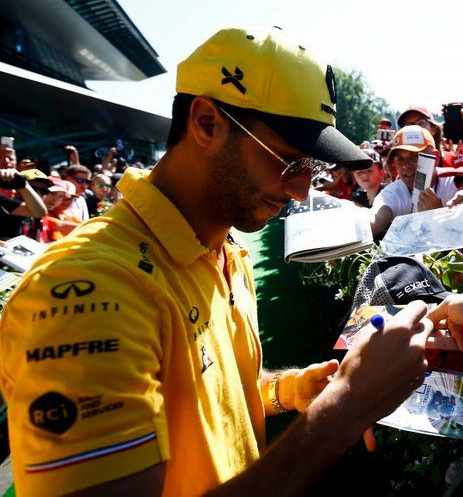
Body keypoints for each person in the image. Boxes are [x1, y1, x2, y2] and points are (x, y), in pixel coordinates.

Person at [0, 28, 434, 495]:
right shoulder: (87, 287)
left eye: (314, 168)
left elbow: (214, 400)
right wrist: (346, 407)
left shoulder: (226, 249)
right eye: (289, 161)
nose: (302, 190)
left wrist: (294, 390)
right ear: (207, 123)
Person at [368, 126, 457, 235]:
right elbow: (374, 219)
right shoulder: (394, 192)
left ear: (436, 157)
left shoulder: (455, 183)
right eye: (400, 159)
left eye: (415, 156)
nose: (406, 166)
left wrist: (439, 216)